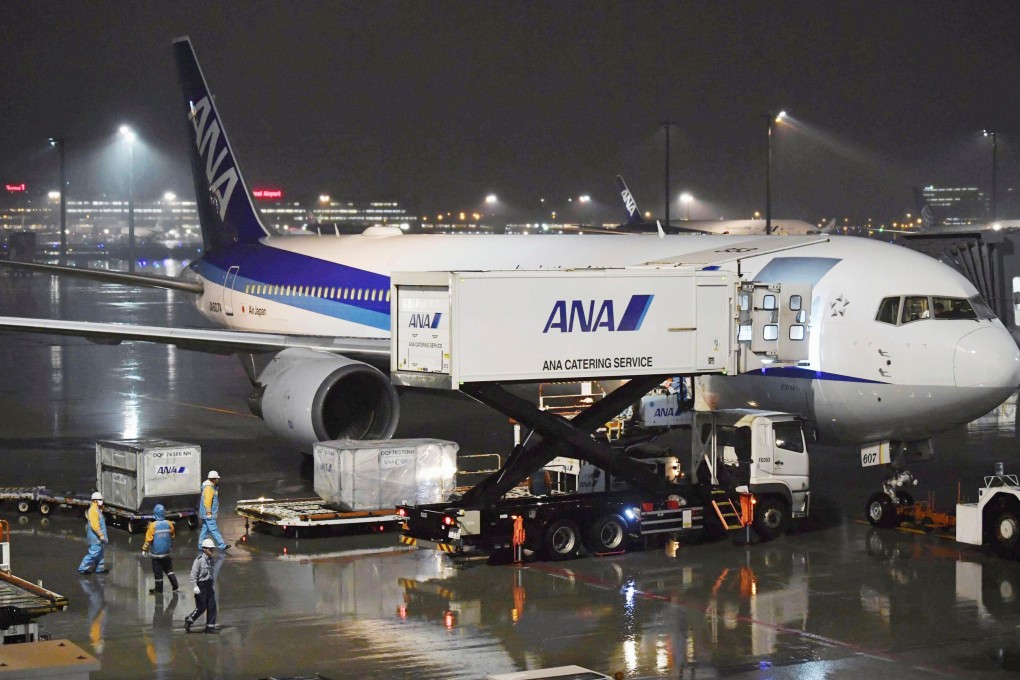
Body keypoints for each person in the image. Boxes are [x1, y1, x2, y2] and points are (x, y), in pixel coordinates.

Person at [141, 504, 179, 595]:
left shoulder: (153, 525)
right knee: (169, 570)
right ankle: (175, 584)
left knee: (158, 573)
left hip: (156, 555)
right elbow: (173, 536)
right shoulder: (169, 523)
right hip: (166, 553)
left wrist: (144, 549)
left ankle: (159, 590)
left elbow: (148, 540)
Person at [184, 538, 220, 634]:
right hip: (201, 585)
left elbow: (211, 572)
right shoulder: (199, 561)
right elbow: (193, 574)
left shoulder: (211, 560)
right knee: (201, 607)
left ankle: (210, 627)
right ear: (204, 549)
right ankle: (189, 619)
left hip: (209, 585)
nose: (211, 550)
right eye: (209, 549)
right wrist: (195, 586)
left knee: (212, 606)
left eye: (212, 548)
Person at [78, 491, 109, 574]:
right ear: (95, 500)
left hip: (98, 537)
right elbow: (95, 525)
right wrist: (101, 535)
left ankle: (100, 569)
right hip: (95, 537)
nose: (101, 501)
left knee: (100, 554)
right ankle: (82, 568)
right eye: (100, 499)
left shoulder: (97, 509)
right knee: (94, 553)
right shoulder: (93, 510)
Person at [198, 470, 229, 552]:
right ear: (213, 479)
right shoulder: (209, 488)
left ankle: (200, 546)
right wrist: (209, 512)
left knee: (205, 530)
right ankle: (221, 545)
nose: (218, 480)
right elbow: (207, 501)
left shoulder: (211, 487)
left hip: (206, 513)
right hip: (208, 514)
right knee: (214, 530)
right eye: (217, 478)